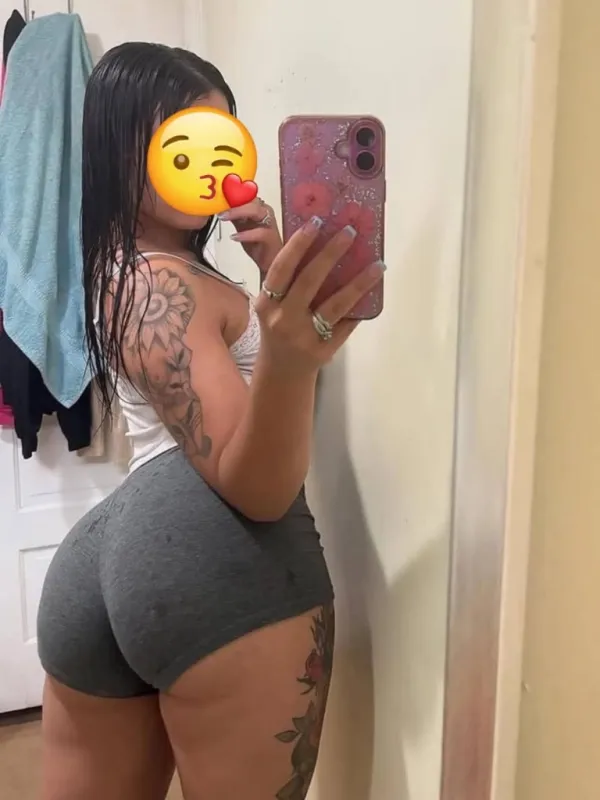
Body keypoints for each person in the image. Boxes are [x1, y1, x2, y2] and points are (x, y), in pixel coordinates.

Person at [36, 42, 385, 800]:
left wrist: (274, 283)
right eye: (180, 140)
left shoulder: (138, 269)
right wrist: (288, 356)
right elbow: (254, 487)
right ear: (120, 145)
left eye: (220, 136)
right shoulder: (157, 285)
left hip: (119, 556)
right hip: (222, 564)